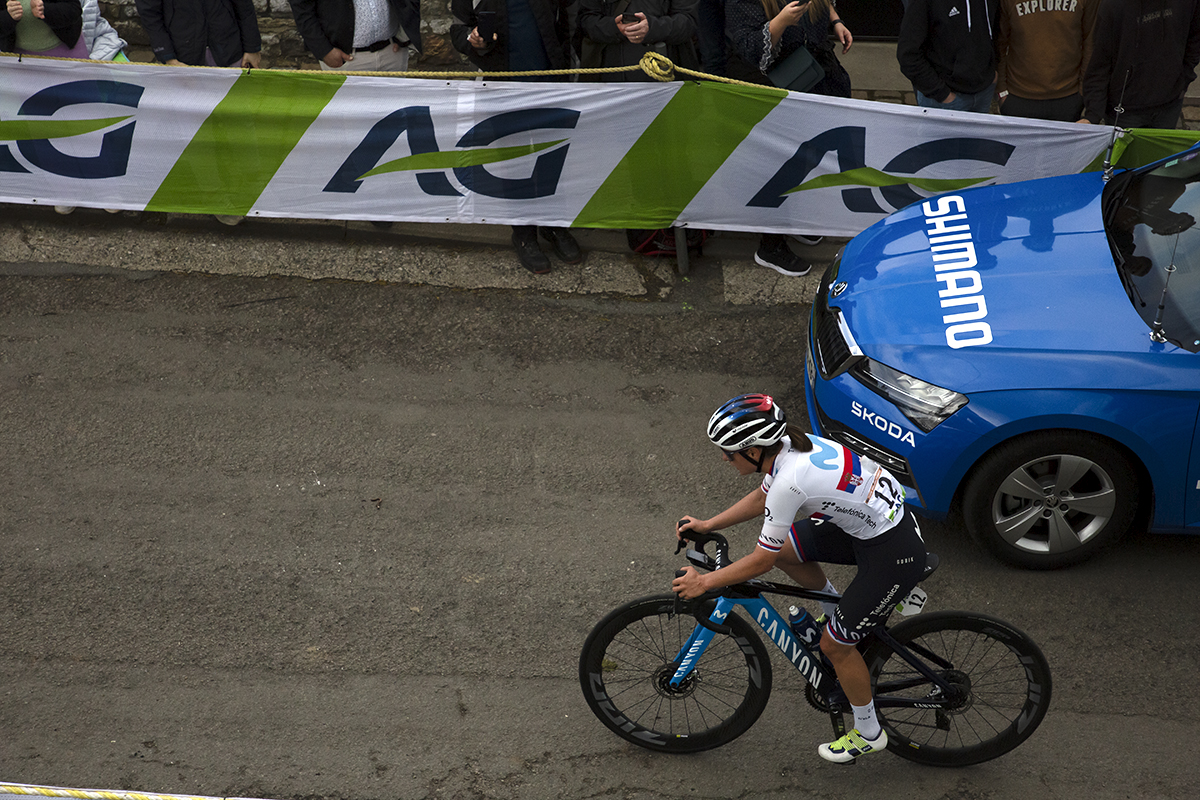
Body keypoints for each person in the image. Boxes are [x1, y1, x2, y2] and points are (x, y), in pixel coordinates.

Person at [672, 393, 927, 762]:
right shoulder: (789, 445)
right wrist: (709, 524)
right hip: (870, 526)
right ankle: (832, 610)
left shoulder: (790, 481)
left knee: (834, 646)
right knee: (789, 550)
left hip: (892, 553)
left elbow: (760, 561)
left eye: (729, 452)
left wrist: (705, 583)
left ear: (754, 450)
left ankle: (869, 732)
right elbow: (764, 498)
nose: (724, 459)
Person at [449, 0, 585, 274]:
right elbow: (458, 27)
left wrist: (568, 67)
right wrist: (472, 40)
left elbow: (568, 17)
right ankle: (523, 234)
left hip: (550, 79)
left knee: (553, 153)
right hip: (502, 84)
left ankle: (553, 224)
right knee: (514, 159)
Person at [724, 0, 852, 275]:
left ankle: (792, 223)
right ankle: (770, 245)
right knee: (772, 164)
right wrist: (781, 21)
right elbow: (748, 49)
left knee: (805, 155)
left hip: (808, 75)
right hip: (768, 88)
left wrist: (835, 21)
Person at [1079, 0, 1200, 129]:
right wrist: (1093, 114)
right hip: (1124, 111)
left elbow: (1195, 40)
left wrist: (1183, 81)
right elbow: (1099, 63)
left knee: (1161, 150)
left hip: (1170, 105)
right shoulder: (1112, 5)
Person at [995, 0, 1097, 121]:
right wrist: (1001, 92)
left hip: (1068, 96)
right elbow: (999, 43)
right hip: (1018, 96)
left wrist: (1082, 91)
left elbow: (1091, 42)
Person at [897, 0, 998, 113]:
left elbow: (996, 33)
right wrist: (942, 94)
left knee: (979, 131)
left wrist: (993, 73)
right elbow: (908, 55)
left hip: (984, 94)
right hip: (944, 100)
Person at [290, 0, 421, 73]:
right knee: (348, 120)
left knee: (394, 118)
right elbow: (302, 10)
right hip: (347, 59)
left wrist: (404, 35)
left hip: (392, 53)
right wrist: (324, 51)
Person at [135, 0, 261, 68]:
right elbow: (150, 16)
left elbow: (244, 5)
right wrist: (169, 58)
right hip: (183, 58)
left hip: (229, 48)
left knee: (234, 110)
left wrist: (252, 48)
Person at [2, 0, 86, 58]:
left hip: (65, 50)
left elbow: (74, 9)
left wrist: (44, 10)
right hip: (18, 58)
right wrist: (8, 17)